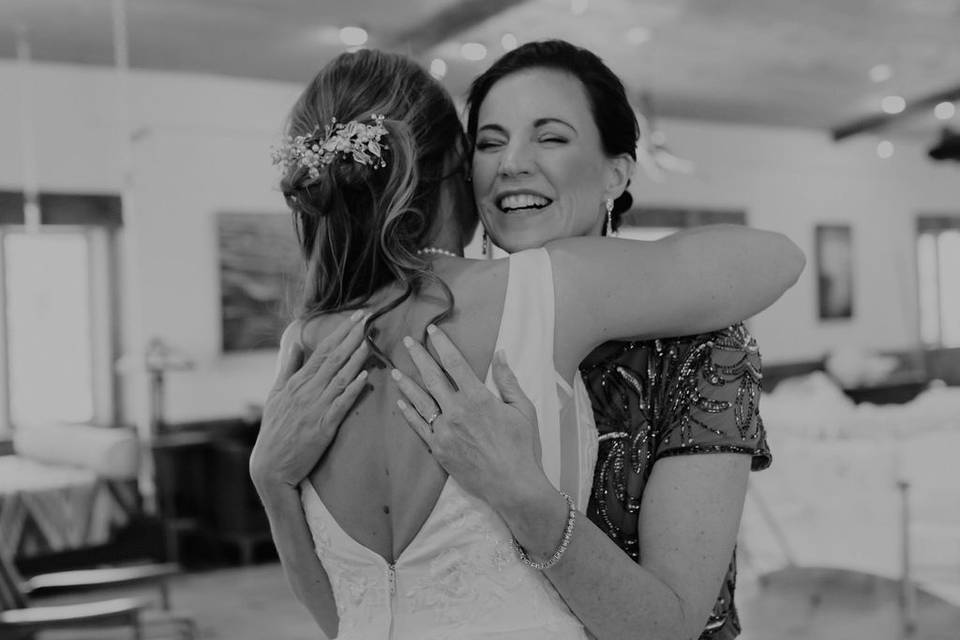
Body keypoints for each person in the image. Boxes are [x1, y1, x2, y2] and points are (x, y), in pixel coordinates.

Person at [249, 46, 804, 640]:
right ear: (456, 169)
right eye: (489, 143)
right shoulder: (541, 290)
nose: (511, 164)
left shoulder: (304, 341)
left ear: (616, 174)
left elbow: (343, 618)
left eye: (551, 138)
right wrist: (269, 478)